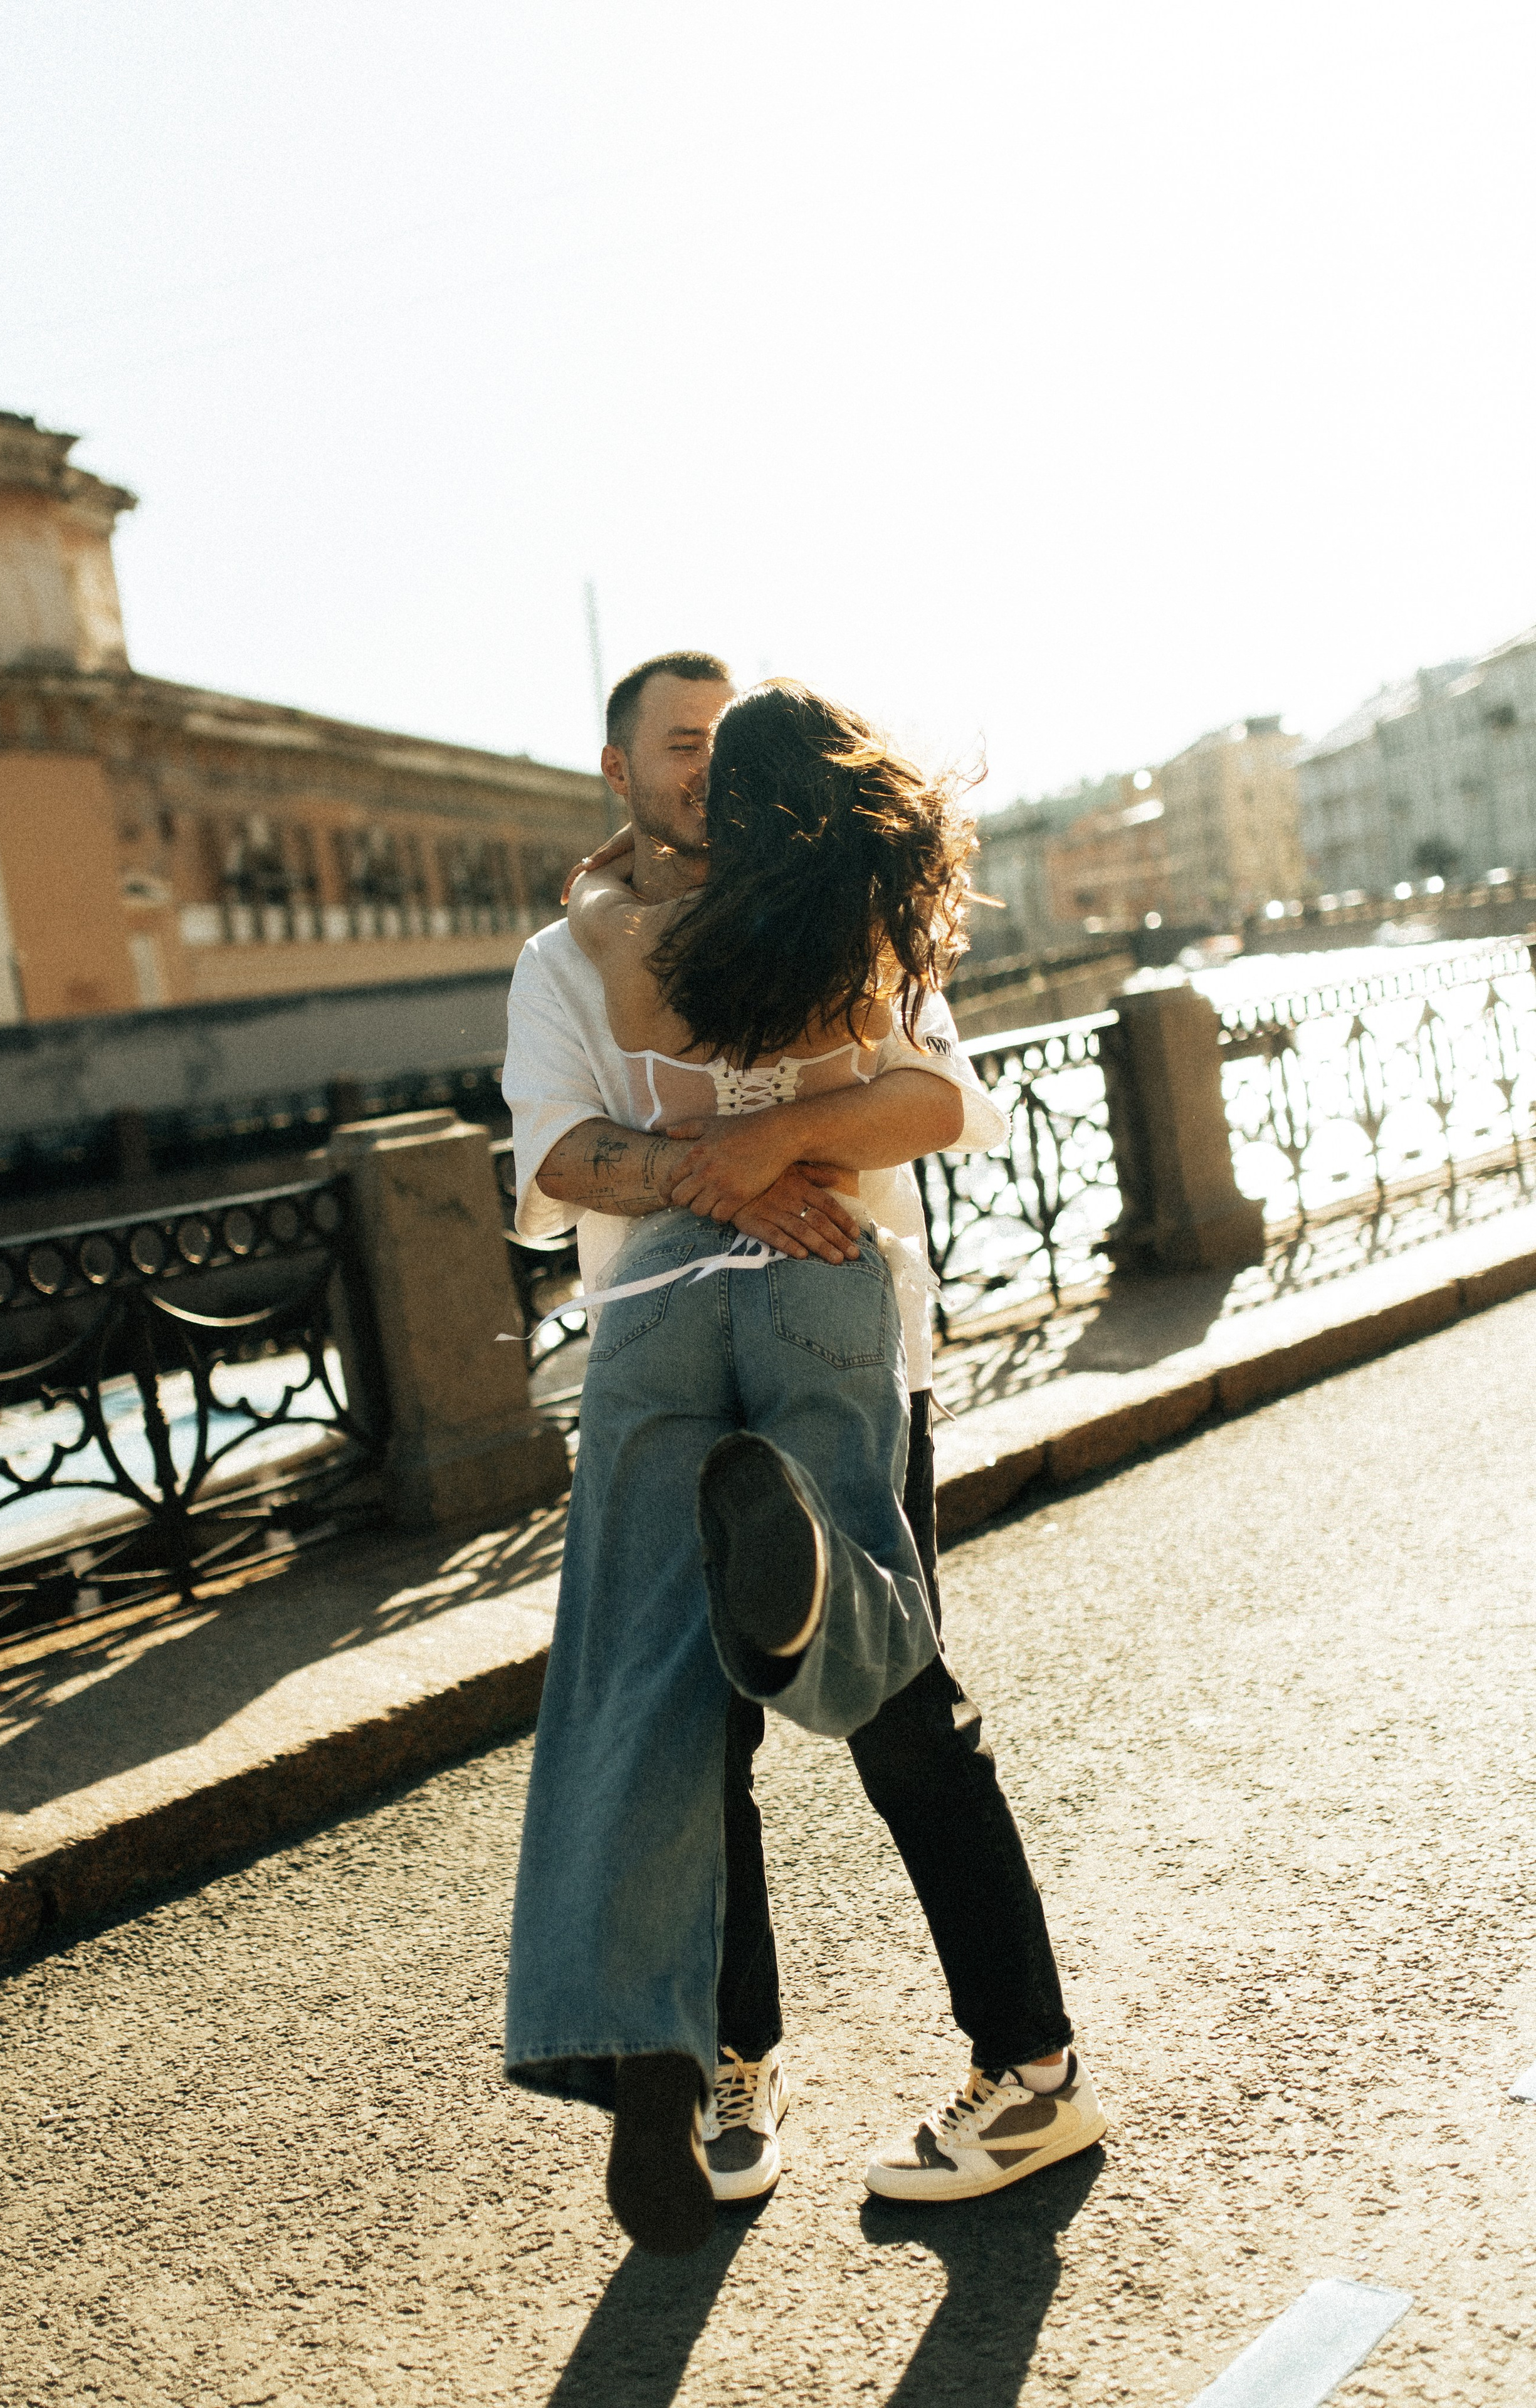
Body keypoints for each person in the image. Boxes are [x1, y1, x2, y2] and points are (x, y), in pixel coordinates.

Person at [501, 653, 1102, 2245]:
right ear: (619, 769)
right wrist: (734, 1172)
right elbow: (557, 1153)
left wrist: (757, 1146)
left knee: (895, 1711)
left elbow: (933, 1097)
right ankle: (727, 2063)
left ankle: (1026, 2068)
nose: (703, 771)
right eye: (676, 747)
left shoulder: (821, 902)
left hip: (843, 1344)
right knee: (700, 1740)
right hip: (678, 1355)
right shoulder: (559, 958)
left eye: (722, 747)